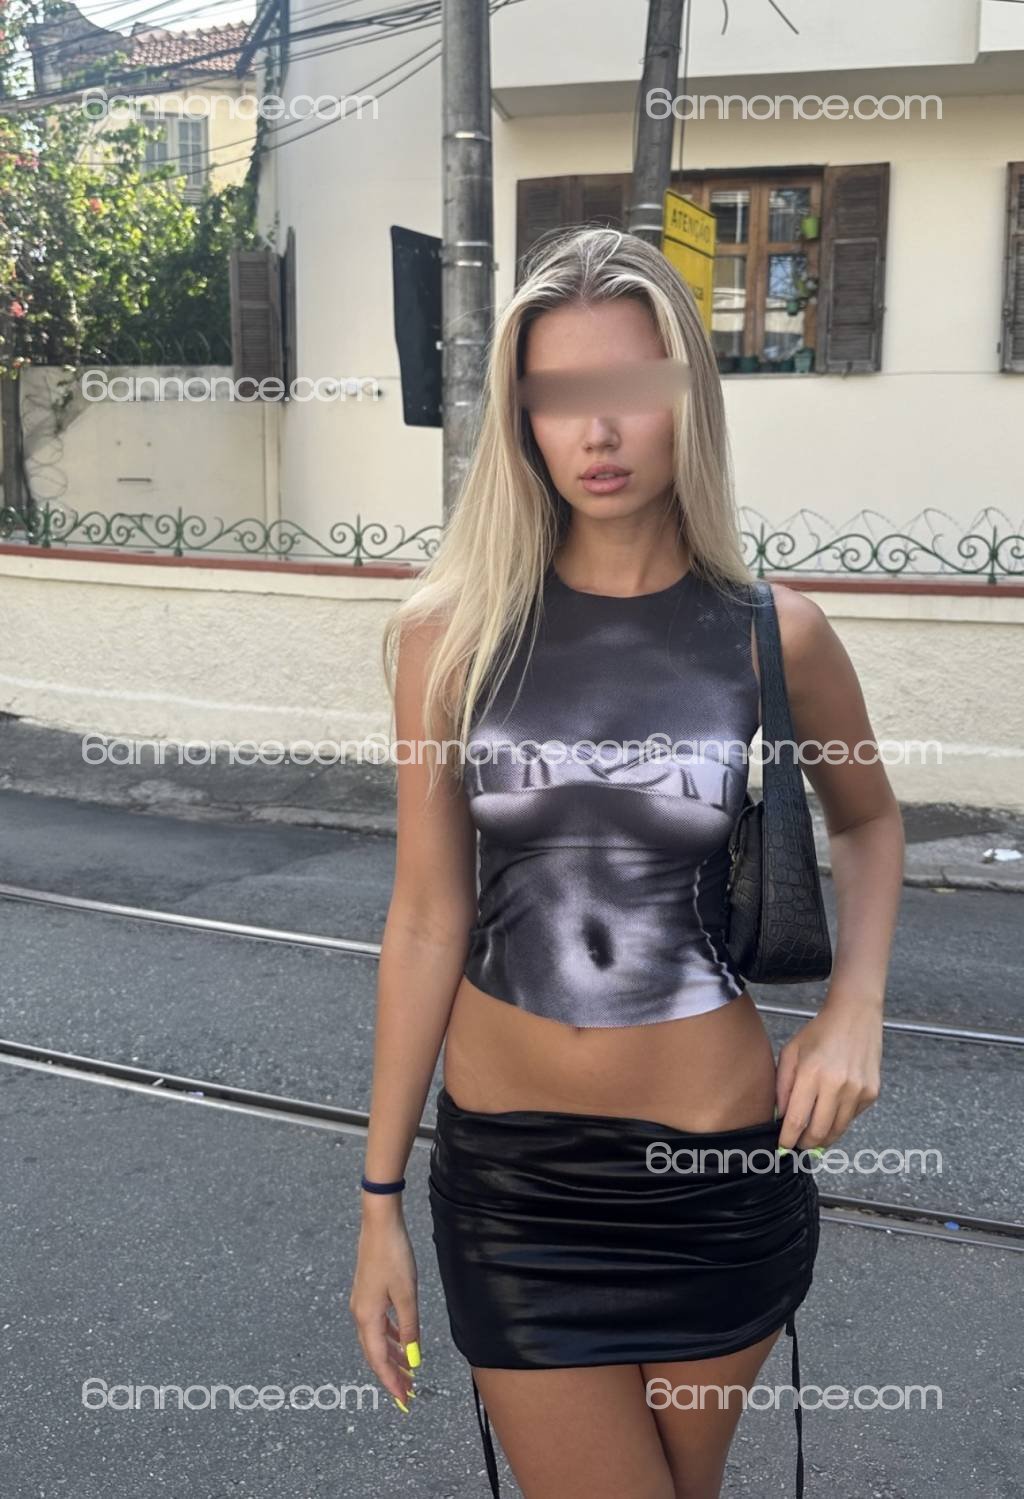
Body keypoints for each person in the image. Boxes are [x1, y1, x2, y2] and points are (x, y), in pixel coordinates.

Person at [349, 227, 904, 1499]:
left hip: (715, 1180)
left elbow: (871, 821)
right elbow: (426, 916)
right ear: (522, 420)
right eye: (557, 396)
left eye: (629, 391)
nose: (595, 432)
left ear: (686, 401)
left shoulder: (772, 634)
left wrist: (853, 1007)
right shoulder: (452, 637)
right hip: (514, 1188)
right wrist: (378, 1198)